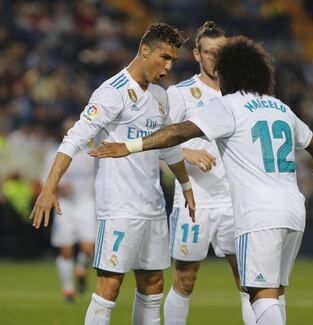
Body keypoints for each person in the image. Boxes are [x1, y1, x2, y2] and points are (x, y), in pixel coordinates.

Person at [89, 35, 313, 325]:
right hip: (294, 212)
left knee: (261, 294)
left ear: (228, 73)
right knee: (274, 292)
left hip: (258, 214)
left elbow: (179, 132)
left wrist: (131, 146)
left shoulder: (229, 105)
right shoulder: (280, 107)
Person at [30, 23, 195, 325]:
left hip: (154, 207)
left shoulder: (160, 96)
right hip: (119, 208)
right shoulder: (112, 92)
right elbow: (74, 138)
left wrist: (185, 184)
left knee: (153, 285)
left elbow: (168, 147)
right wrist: (48, 188)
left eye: (173, 60)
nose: (169, 67)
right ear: (145, 50)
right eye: (164, 57)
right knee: (109, 287)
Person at [163, 22, 255, 325]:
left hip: (234, 202)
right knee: (185, 280)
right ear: (197, 55)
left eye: (221, 52)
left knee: (248, 281)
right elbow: (160, 143)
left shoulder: (241, 94)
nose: (215, 58)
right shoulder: (181, 94)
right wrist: (187, 152)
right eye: (209, 53)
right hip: (194, 203)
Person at [42, 117, 96, 302]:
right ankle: (68, 289)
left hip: (86, 203)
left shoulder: (91, 153)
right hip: (64, 206)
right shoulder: (54, 153)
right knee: (65, 250)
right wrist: (59, 188)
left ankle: (81, 268)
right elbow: (46, 181)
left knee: (89, 247)